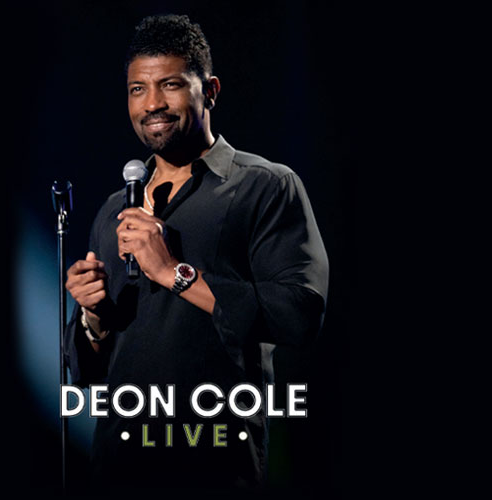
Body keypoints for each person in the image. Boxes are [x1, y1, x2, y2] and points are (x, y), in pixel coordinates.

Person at [64, 14, 328, 490]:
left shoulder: (265, 187)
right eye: (138, 89)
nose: (152, 104)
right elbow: (90, 371)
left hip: (214, 463)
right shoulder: (113, 212)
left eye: (169, 85)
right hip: (118, 467)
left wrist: (174, 272)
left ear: (210, 91)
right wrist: (93, 316)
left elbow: (299, 315)